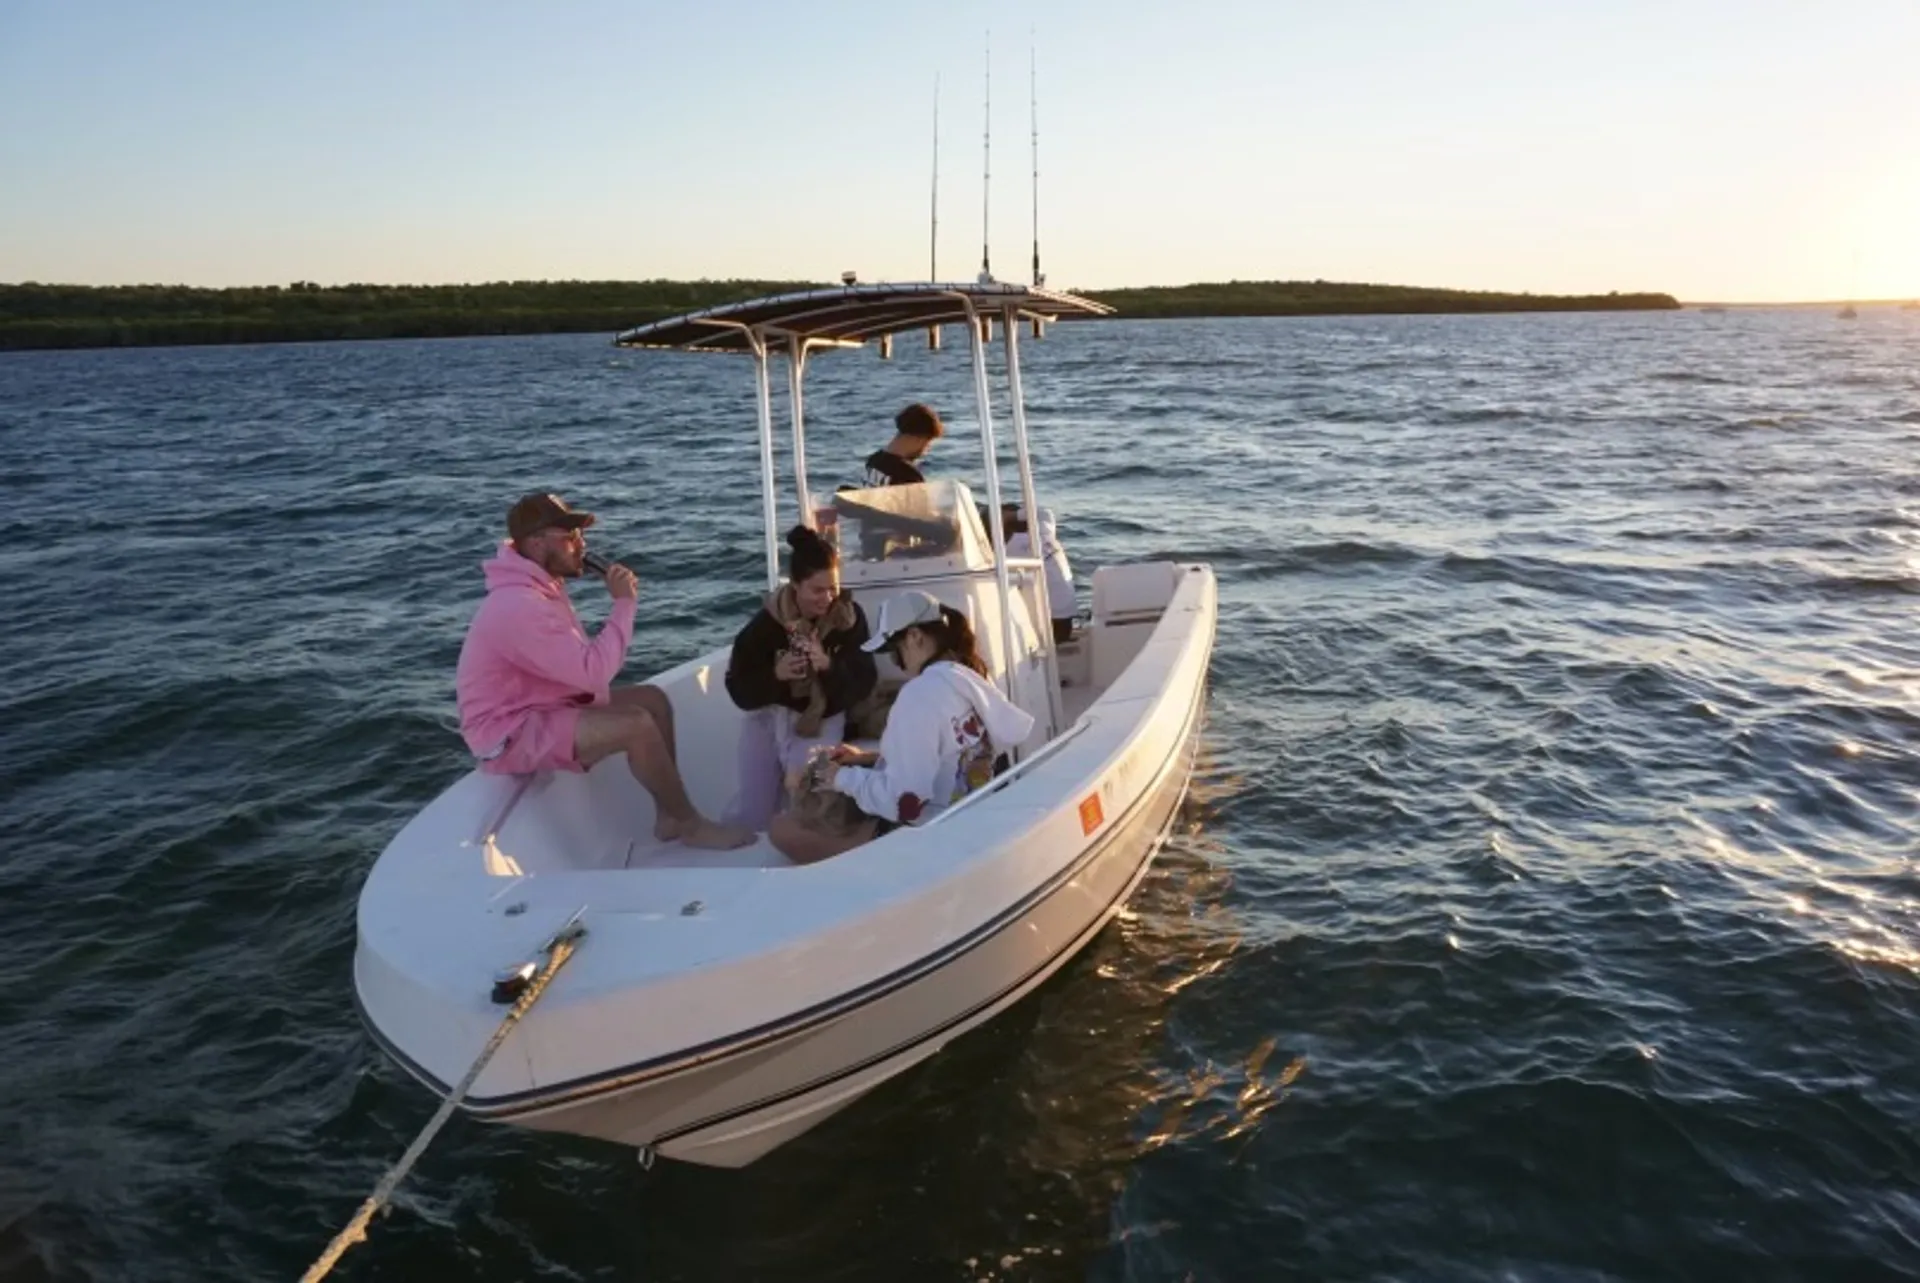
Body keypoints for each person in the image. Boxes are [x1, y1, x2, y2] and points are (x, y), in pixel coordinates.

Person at [455, 492, 751, 850]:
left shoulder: (538, 587)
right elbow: (593, 674)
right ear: (536, 543)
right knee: (636, 726)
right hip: (508, 732)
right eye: (570, 536)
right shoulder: (519, 604)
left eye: (580, 535)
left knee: (653, 701)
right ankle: (691, 825)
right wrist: (623, 604)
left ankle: (669, 817)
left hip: (540, 706)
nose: (582, 545)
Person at [769, 590, 1035, 865]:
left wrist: (838, 778)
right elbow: (948, 756)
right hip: (972, 813)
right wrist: (866, 759)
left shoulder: (918, 695)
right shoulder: (968, 675)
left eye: (894, 653)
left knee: (782, 829)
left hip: (933, 837)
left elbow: (904, 804)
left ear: (915, 637)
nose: (898, 665)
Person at [723, 525, 879, 829]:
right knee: (753, 814)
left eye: (833, 587)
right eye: (818, 590)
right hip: (770, 714)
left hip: (823, 716)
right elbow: (739, 691)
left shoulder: (848, 619)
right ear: (795, 585)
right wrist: (775, 675)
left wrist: (829, 666)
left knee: (807, 800)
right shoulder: (765, 626)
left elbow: (864, 681)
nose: (828, 598)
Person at [1002, 503, 1077, 643]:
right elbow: (1044, 512)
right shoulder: (1046, 532)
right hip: (1066, 620)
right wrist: (1011, 516)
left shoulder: (1008, 548)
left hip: (1049, 626)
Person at [862, 402, 944, 488]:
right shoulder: (908, 475)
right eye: (927, 444)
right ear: (919, 438)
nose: (926, 451)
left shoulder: (873, 461)